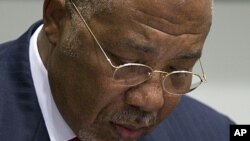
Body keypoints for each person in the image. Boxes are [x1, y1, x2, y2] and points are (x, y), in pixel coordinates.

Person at [0, 0, 234, 141]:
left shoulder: (220, 133)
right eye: (128, 63)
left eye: (178, 69)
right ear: (58, 19)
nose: (152, 100)